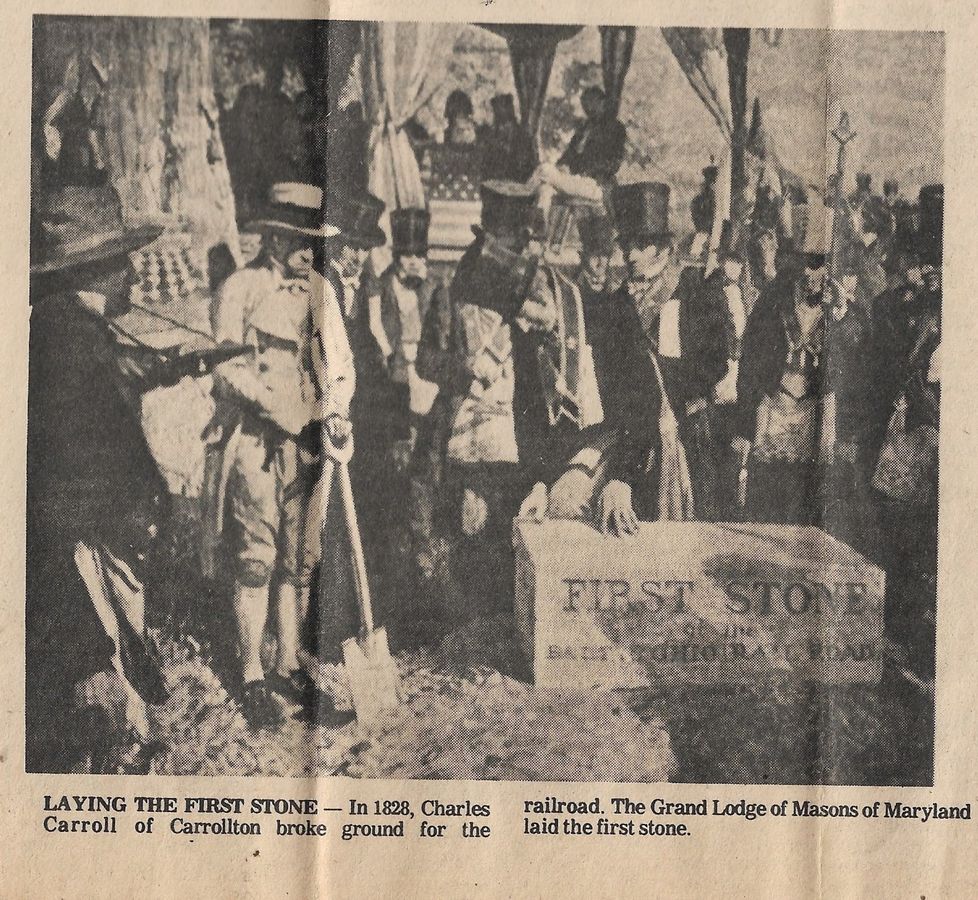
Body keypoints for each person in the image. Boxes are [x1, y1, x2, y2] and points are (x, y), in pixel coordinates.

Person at [28, 181, 169, 771]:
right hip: (88, 514)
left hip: (97, 509)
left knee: (119, 614)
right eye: (124, 263)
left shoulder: (73, 325)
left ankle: (134, 725)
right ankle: (118, 739)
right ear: (100, 270)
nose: (135, 275)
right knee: (102, 626)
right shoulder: (66, 336)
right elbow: (83, 442)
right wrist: (136, 503)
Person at [208, 182, 360, 730]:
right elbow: (223, 368)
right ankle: (251, 675)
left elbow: (340, 363)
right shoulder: (240, 289)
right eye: (299, 242)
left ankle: (290, 662)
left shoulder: (321, 290)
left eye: (314, 244)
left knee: (299, 557)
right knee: (257, 555)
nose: (308, 254)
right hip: (255, 442)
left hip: (311, 442)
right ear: (272, 238)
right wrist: (273, 405)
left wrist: (336, 409)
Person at [519, 186, 671, 535]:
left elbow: (646, 399)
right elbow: (542, 416)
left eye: (641, 246)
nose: (630, 256)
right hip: (596, 447)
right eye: (627, 246)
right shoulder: (599, 309)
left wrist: (621, 477)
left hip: (653, 444)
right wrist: (541, 480)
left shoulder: (682, 297)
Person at [733, 195, 872, 529]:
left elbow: (858, 364)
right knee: (767, 507)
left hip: (816, 420)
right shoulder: (772, 302)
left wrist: (840, 316)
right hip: (773, 413)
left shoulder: (842, 309)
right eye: (810, 264)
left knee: (809, 508)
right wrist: (742, 429)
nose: (817, 273)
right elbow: (749, 367)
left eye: (823, 263)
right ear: (796, 262)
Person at [357, 208, 440, 617]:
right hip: (390, 390)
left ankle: (423, 564)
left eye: (418, 253)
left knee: (424, 475)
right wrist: (395, 364)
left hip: (426, 385)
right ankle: (391, 578)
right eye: (405, 253)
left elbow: (441, 333)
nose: (412, 261)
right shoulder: (379, 286)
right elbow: (375, 331)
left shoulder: (434, 287)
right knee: (394, 472)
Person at [557, 85, 627, 183]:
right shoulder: (583, 129)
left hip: (598, 182)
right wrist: (561, 166)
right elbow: (569, 153)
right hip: (574, 179)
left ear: (603, 103)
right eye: (585, 104)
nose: (588, 108)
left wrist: (591, 171)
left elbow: (614, 162)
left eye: (592, 103)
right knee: (546, 186)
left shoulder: (615, 128)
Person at [480, 93, 537, 183]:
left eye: (490, 111)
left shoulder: (521, 136)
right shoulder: (492, 134)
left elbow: (527, 167)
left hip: (517, 186)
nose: (486, 115)